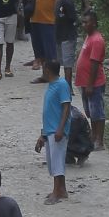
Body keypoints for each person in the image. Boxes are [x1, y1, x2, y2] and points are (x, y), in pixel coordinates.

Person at [35, 61, 72, 204]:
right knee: (52, 161)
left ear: (47, 70)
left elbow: (66, 107)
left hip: (57, 130)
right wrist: (43, 134)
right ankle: (61, 189)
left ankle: (56, 192)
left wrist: (60, 129)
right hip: (50, 129)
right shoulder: (51, 85)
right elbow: (49, 111)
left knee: (57, 161)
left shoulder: (62, 85)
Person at [75, 10, 108, 149]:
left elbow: (94, 64)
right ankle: (93, 136)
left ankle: (99, 140)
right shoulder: (89, 37)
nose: (83, 25)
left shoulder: (97, 40)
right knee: (90, 112)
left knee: (97, 112)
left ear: (94, 23)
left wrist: (90, 84)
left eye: (86, 22)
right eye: (82, 22)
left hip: (94, 83)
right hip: (85, 82)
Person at [28, 0, 57, 78]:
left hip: (48, 21)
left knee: (50, 51)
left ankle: (53, 76)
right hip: (35, 19)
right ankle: (45, 75)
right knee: (39, 51)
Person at [52, 0, 79, 87]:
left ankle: (68, 88)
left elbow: (74, 19)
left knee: (68, 64)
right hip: (59, 36)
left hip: (68, 36)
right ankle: (59, 85)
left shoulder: (67, 1)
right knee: (58, 62)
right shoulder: (57, 0)